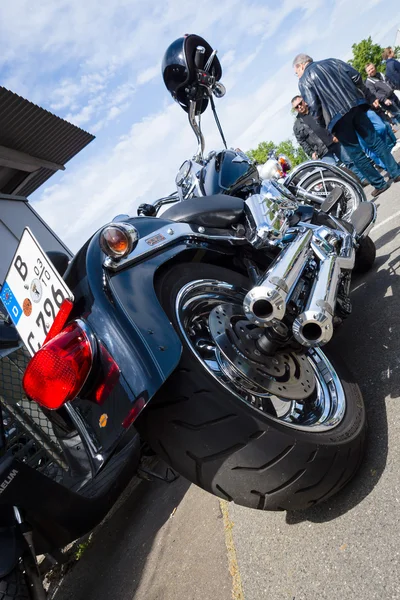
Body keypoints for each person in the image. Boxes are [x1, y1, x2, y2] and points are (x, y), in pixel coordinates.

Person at [293, 53, 400, 197]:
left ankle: (379, 183)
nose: (298, 75)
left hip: (336, 119)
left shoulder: (304, 80)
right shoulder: (331, 61)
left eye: (296, 72)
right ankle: (396, 172)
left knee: (356, 154)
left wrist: (324, 125)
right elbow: (356, 76)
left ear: (301, 65)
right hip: (355, 105)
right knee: (374, 141)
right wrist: (361, 95)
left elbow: (313, 106)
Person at [291, 95, 366, 181]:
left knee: (349, 161)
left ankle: (362, 179)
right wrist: (311, 153)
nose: (299, 107)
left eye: (300, 103)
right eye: (296, 107)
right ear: (295, 109)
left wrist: (335, 134)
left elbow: (331, 120)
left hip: (334, 141)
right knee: (333, 170)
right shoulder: (297, 125)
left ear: (304, 101)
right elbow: (302, 142)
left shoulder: (317, 110)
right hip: (321, 151)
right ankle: (349, 185)